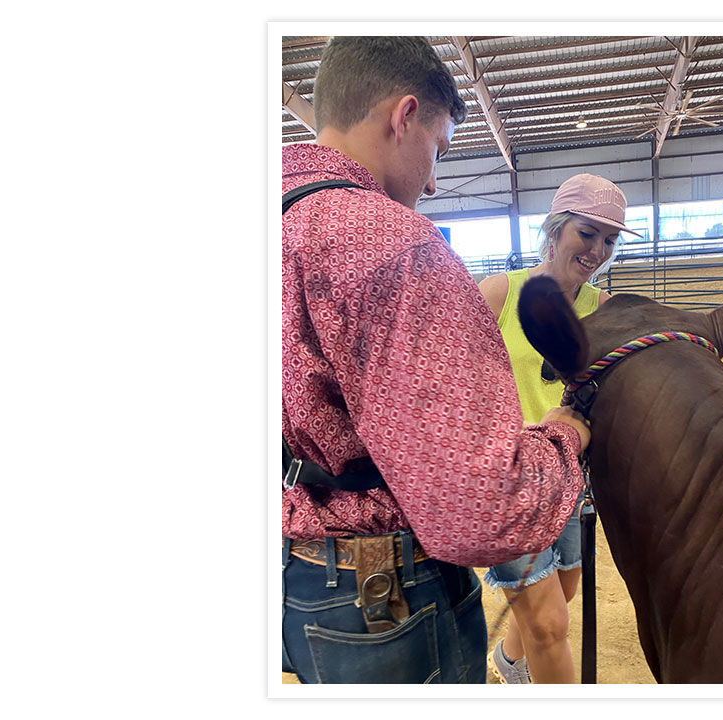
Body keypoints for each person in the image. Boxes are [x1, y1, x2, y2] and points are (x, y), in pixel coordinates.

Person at [279, 36, 592, 685]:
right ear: (404, 116)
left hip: (294, 566)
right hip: (382, 595)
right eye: (439, 149)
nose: (434, 178)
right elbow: (483, 509)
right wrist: (568, 435)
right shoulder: (393, 247)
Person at [475, 173, 641, 683]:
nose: (597, 249)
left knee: (564, 590)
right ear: (555, 228)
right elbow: (460, 383)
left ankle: (508, 660)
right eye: (586, 233)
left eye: (609, 239)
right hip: (509, 482)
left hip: (573, 476)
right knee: (549, 623)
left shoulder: (606, 311)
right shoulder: (500, 293)